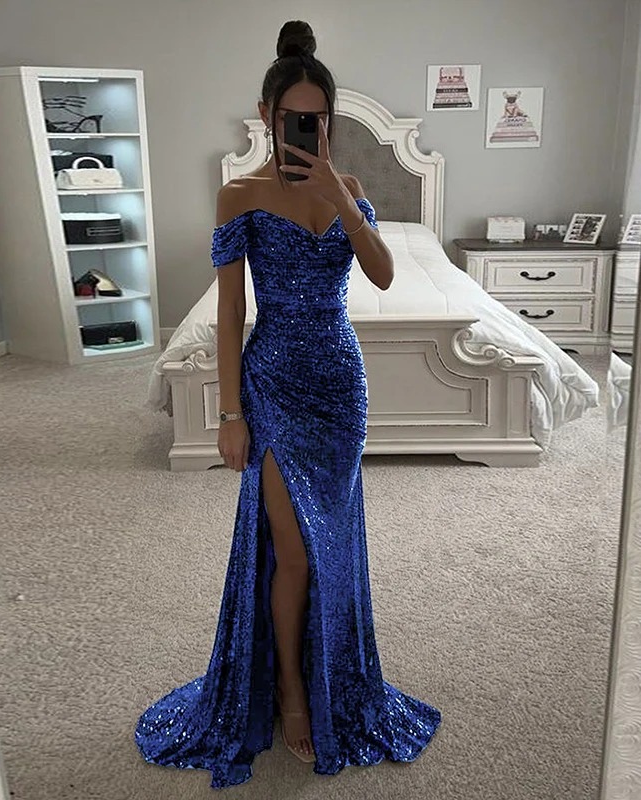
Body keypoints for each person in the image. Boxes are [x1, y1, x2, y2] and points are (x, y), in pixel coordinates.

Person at [134, 19, 442, 789]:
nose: (307, 129)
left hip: (339, 385)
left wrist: (339, 193)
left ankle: (331, 675)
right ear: (267, 116)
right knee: (293, 550)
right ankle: (294, 695)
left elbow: (382, 275)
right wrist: (229, 413)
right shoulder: (238, 195)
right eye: (293, 118)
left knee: (329, 544)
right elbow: (229, 311)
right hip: (272, 385)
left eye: (319, 119)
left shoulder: (351, 189)